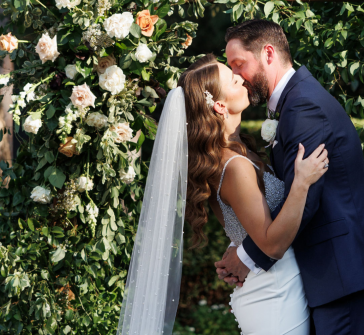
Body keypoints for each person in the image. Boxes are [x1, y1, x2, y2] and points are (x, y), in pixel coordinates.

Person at [116, 53, 329, 335]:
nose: (241, 77)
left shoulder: (238, 153)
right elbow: (271, 245)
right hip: (274, 296)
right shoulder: (234, 166)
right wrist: (301, 183)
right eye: (232, 78)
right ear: (219, 105)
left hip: (278, 287)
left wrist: (239, 249)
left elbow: (249, 227)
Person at [214, 19, 364, 335]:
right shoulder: (294, 103)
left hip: (343, 274)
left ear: (268, 54)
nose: (237, 77)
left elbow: (307, 198)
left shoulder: (303, 106)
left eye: (238, 64)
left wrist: (247, 254)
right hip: (331, 275)